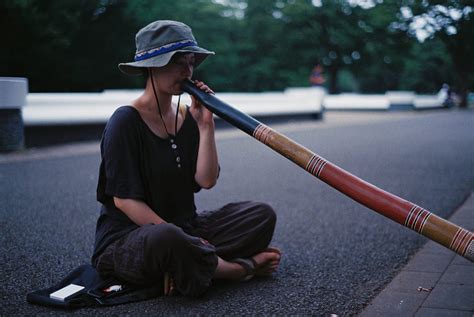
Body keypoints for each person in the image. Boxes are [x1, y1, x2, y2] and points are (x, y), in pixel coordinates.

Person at [91, 20, 281, 298]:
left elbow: (206, 180)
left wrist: (206, 125)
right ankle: (238, 269)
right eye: (178, 62)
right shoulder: (125, 121)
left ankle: (188, 265)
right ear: (152, 66)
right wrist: (184, 240)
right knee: (168, 239)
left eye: (191, 62)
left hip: (187, 228)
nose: (187, 71)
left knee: (261, 215)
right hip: (135, 238)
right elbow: (125, 201)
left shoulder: (186, 116)